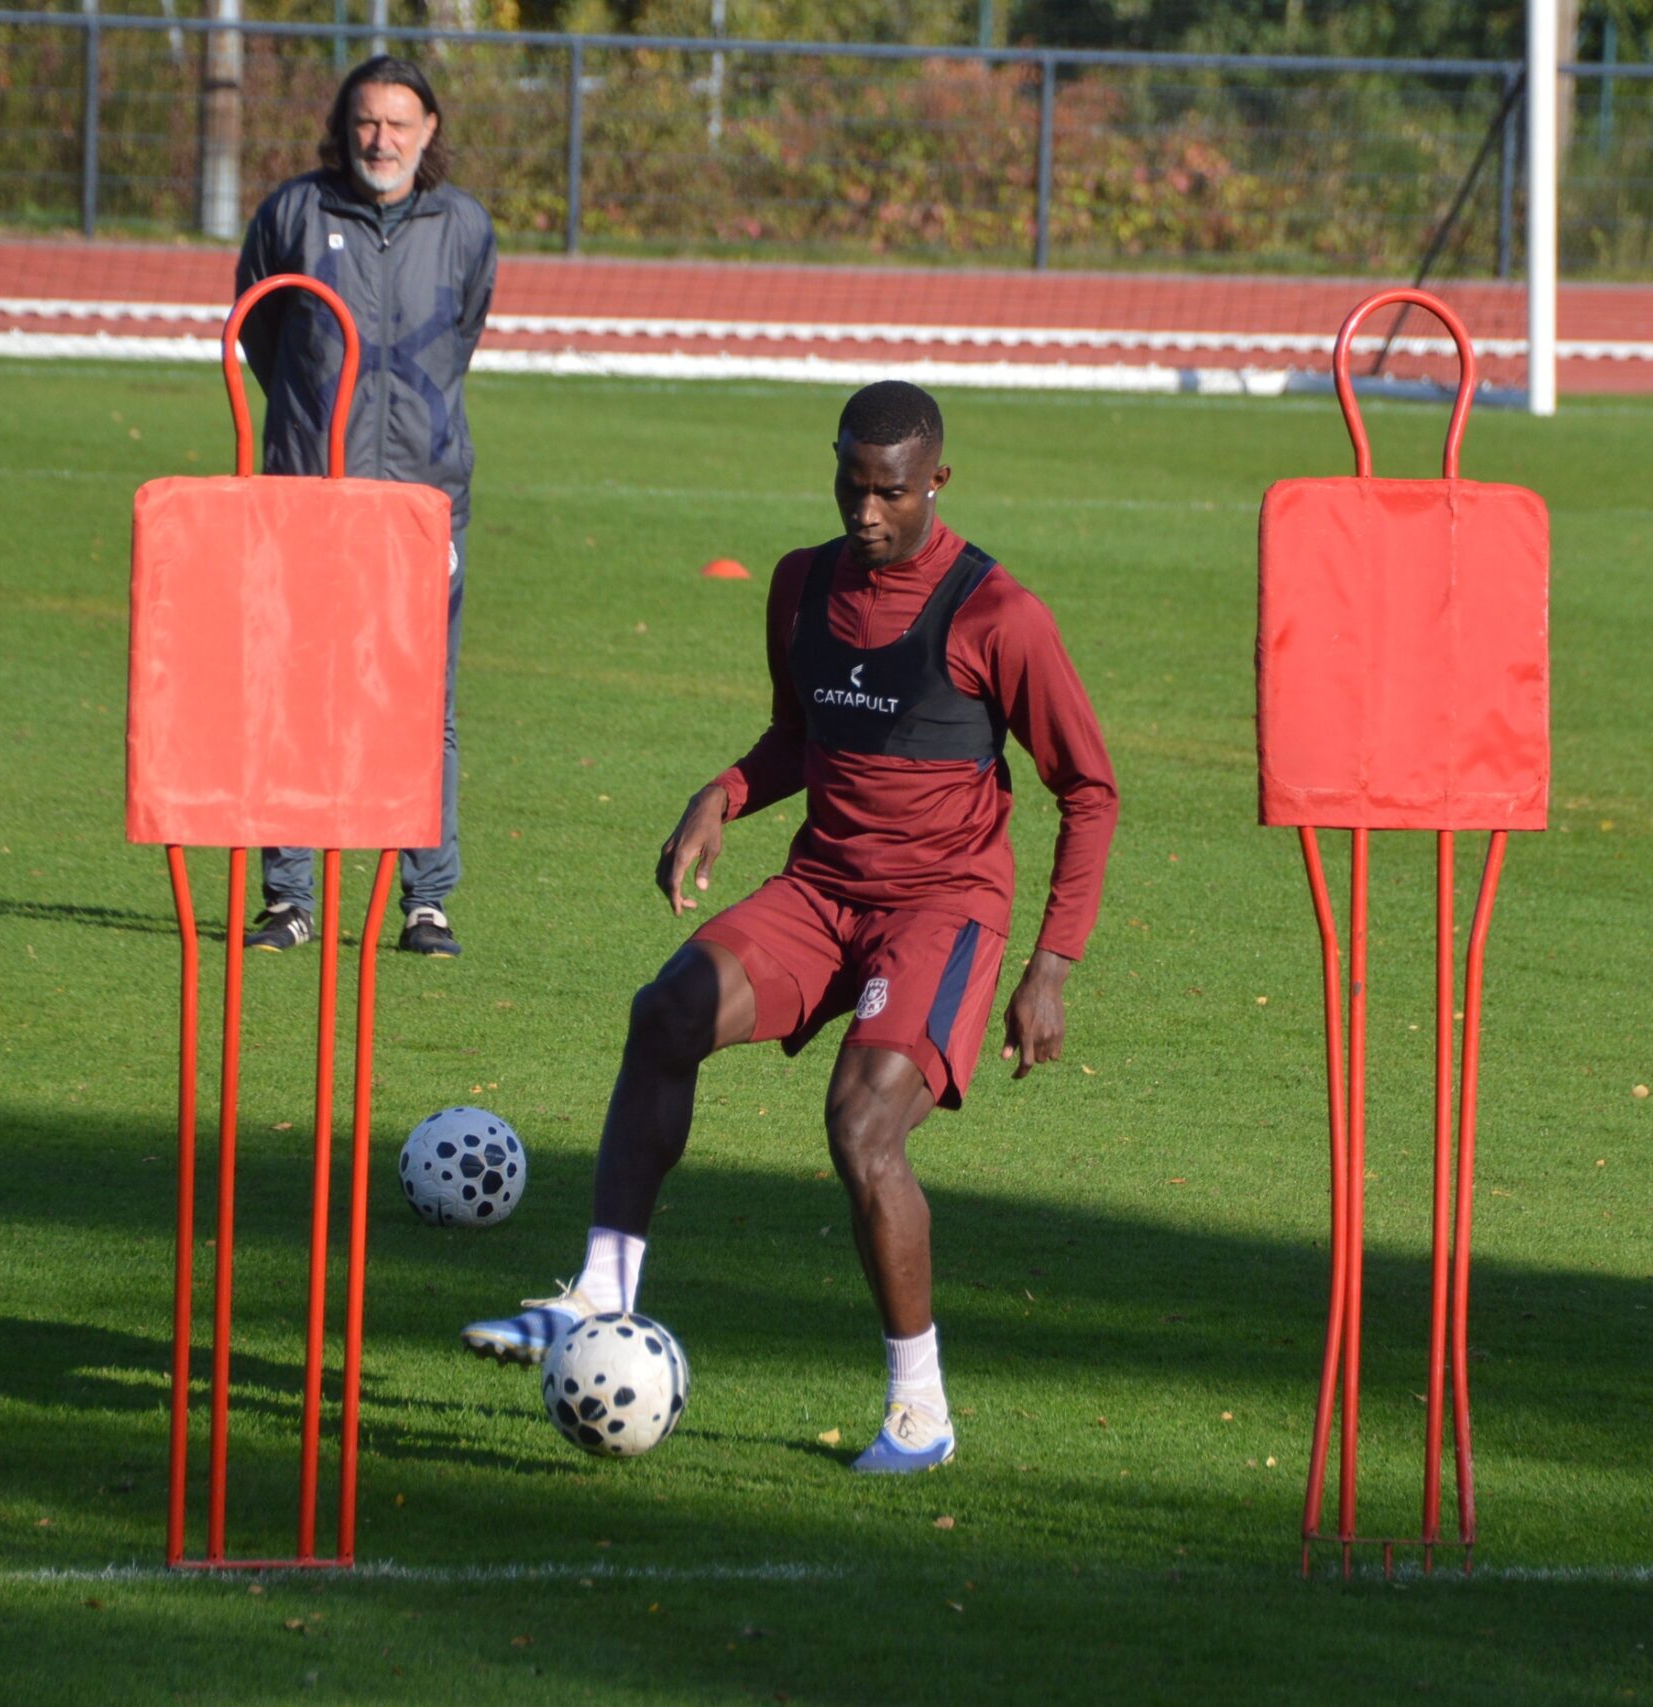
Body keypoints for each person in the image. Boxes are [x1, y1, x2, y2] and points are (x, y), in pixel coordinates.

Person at [461, 382, 1119, 1473]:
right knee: (666, 1013)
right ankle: (598, 1295)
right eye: (851, 487)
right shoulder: (801, 584)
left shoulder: (1000, 615)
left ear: (937, 483)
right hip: (821, 889)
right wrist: (723, 793)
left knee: (862, 1128)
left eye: (890, 493)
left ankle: (920, 1411)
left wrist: (1051, 965)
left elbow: (1088, 789)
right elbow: (797, 736)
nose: (866, 512)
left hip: (941, 905)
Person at [233, 54, 496, 958]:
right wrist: (316, 431)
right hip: (308, 497)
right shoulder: (293, 214)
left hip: (422, 504)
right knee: (293, 693)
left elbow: (462, 334)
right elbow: (264, 335)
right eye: (367, 122)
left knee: (424, 705)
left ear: (429, 131)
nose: (381, 140)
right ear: (344, 127)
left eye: (398, 123)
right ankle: (289, 898)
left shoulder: (464, 225)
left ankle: (426, 901)